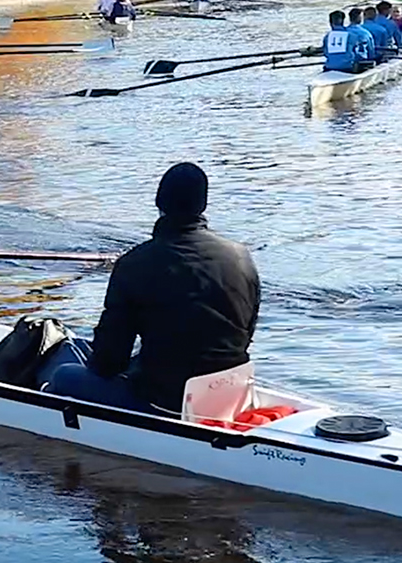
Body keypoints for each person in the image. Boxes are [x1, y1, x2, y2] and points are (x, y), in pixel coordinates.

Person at [42, 163, 259, 416]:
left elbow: (108, 362)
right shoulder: (241, 257)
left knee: (63, 374)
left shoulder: (135, 263)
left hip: (164, 401)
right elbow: (246, 334)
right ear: (203, 205)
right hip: (227, 391)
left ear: (159, 202)